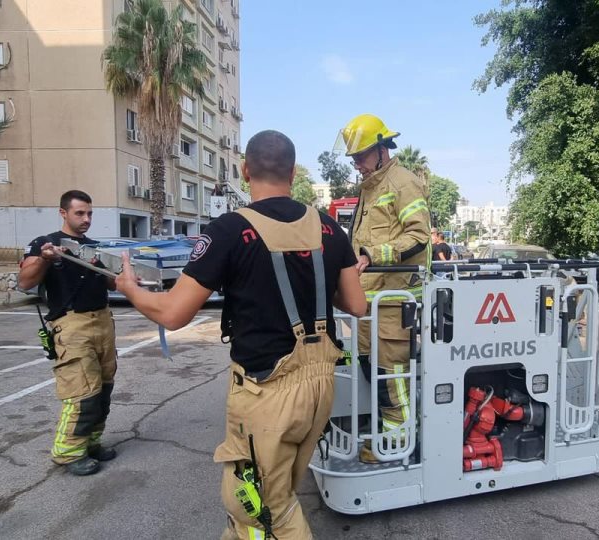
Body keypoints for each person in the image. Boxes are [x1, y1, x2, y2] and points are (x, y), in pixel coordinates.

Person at [116, 130, 366, 539]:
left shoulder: (229, 231)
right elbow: (356, 305)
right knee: (270, 495)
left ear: (245, 169)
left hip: (267, 394)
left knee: (263, 507)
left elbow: (174, 314)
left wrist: (130, 289)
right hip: (320, 387)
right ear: (291, 171)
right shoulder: (327, 228)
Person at [334, 113, 432, 463]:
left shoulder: (403, 183)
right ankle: (390, 432)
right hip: (369, 305)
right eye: (354, 158)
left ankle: (400, 442)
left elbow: (419, 238)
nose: (357, 164)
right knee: (372, 371)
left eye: (361, 156)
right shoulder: (371, 188)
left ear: (381, 149)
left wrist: (371, 255)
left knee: (392, 377)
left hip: (394, 304)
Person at [16, 190, 119, 477]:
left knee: (104, 389)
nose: (86, 219)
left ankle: (91, 443)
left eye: (89, 213)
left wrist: (112, 267)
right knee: (82, 391)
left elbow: (113, 285)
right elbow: (24, 282)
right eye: (79, 213)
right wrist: (46, 258)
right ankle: (68, 452)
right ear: (63, 213)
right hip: (71, 325)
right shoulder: (44, 244)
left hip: (103, 320)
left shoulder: (95, 247)